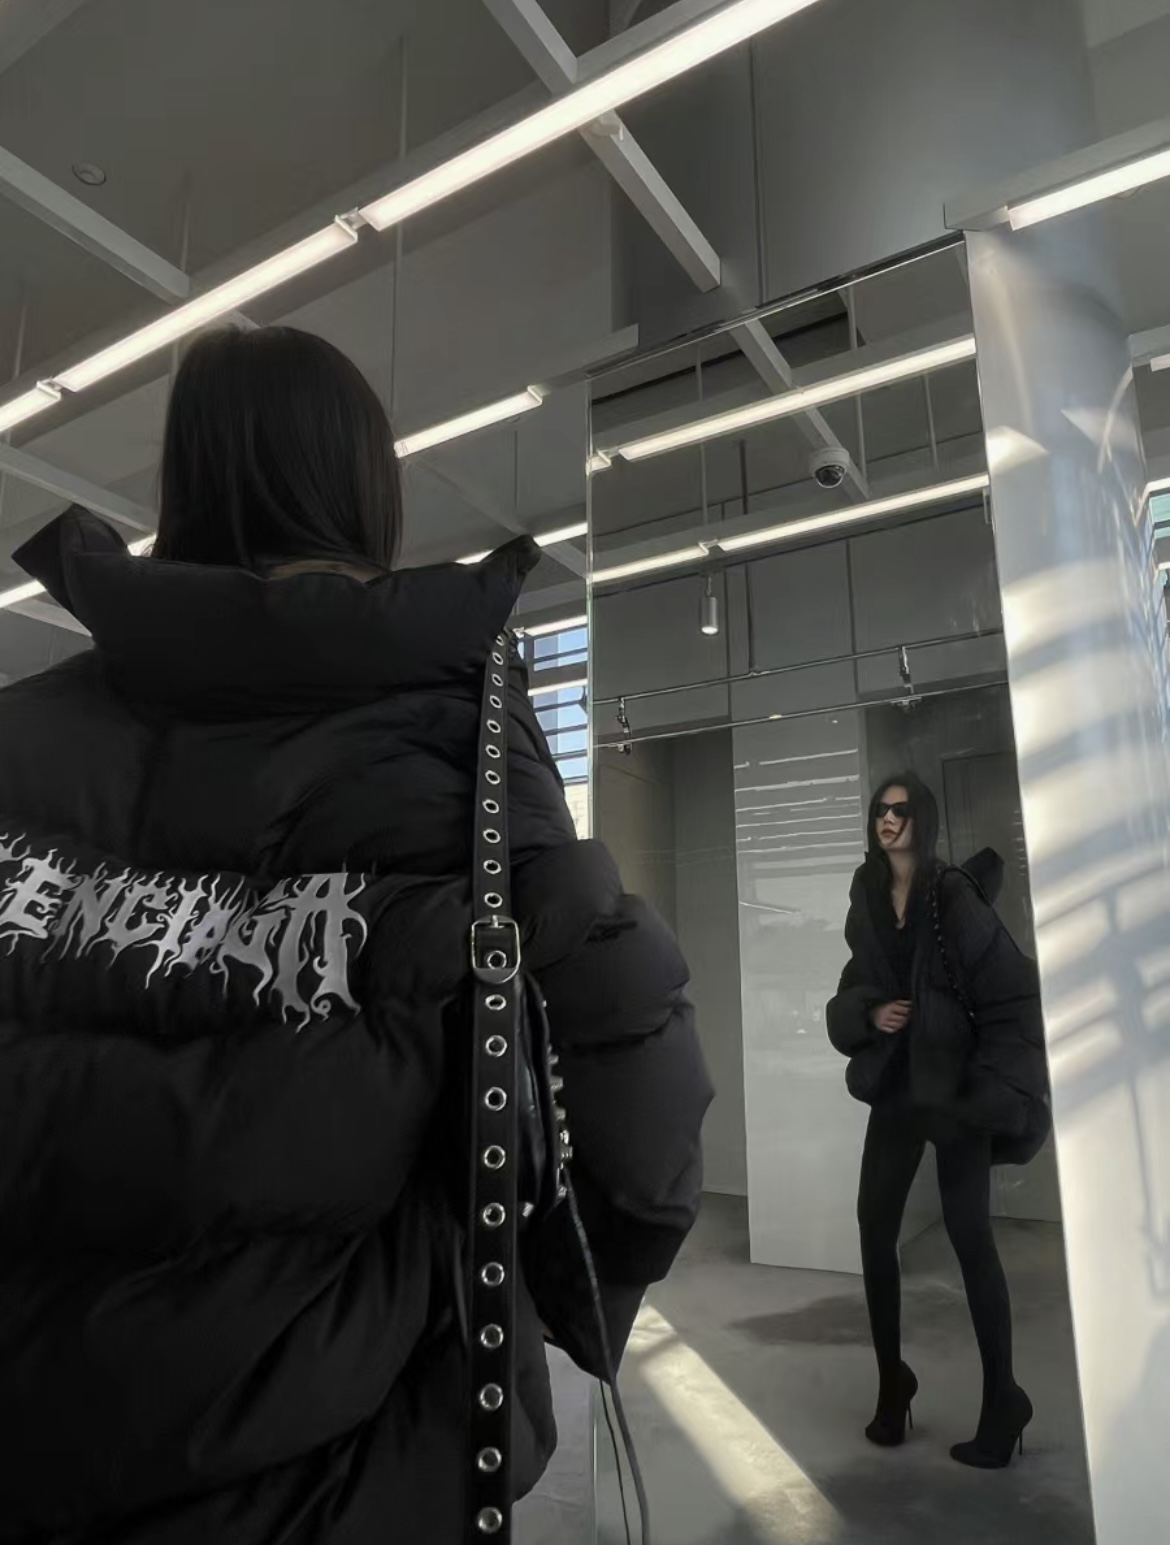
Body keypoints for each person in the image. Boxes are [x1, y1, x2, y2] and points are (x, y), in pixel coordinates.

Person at [0, 326, 712, 1543]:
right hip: (361, 1460)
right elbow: (626, 1077)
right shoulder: (462, 733)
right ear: (365, 489)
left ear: (186, 481)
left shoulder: (22, 739)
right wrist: (591, 1276)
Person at [827, 774, 1050, 1470]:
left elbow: (1012, 993)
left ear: (921, 819)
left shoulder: (950, 893)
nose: (887, 819)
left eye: (900, 810)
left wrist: (988, 1090)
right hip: (899, 1086)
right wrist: (869, 1011)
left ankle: (1002, 1398)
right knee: (873, 1228)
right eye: (880, 810)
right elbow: (852, 983)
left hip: (956, 1093)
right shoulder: (868, 894)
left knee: (970, 1238)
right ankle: (892, 1383)